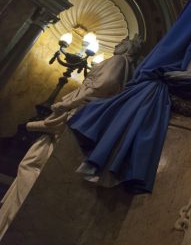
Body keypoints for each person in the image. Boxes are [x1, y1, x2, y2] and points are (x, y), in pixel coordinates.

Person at [0, 35, 142, 239]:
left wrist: (68, 104)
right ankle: (13, 214)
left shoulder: (118, 61)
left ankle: (19, 213)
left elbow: (104, 83)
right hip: (80, 115)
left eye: (122, 43)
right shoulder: (126, 67)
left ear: (128, 47)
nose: (118, 44)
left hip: (76, 114)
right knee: (35, 161)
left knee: (33, 163)